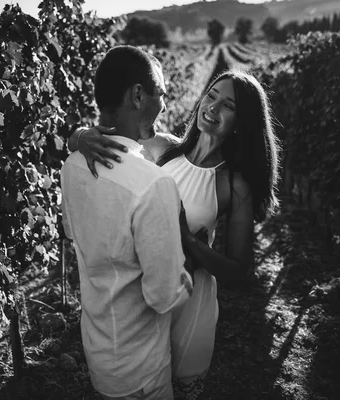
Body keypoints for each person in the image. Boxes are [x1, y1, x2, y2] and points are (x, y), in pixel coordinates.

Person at [68, 68, 281, 399]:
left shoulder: (233, 184)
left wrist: (186, 240)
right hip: (145, 295)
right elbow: (97, 134)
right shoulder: (165, 149)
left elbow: (239, 272)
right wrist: (81, 137)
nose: (213, 108)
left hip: (191, 305)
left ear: (242, 122)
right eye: (211, 96)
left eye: (229, 106)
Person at [61, 45, 195, 400]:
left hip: (99, 353)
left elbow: (75, 235)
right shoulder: (154, 184)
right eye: (161, 94)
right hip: (142, 369)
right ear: (138, 95)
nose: (164, 105)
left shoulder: (72, 166)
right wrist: (188, 276)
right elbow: (163, 296)